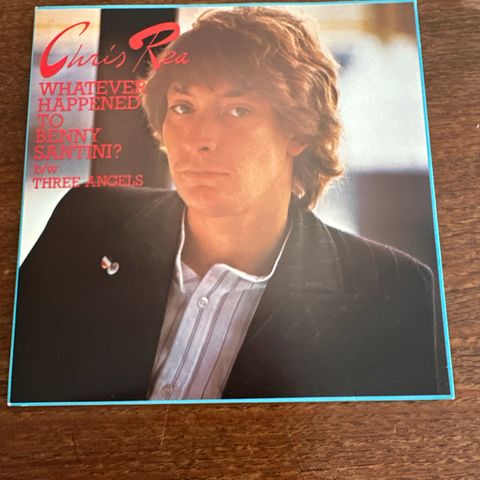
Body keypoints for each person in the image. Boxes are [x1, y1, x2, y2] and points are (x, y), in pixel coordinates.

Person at [10, 7, 449, 403]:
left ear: (299, 131)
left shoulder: (391, 290)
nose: (200, 138)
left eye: (237, 110)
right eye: (183, 107)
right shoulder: (87, 221)